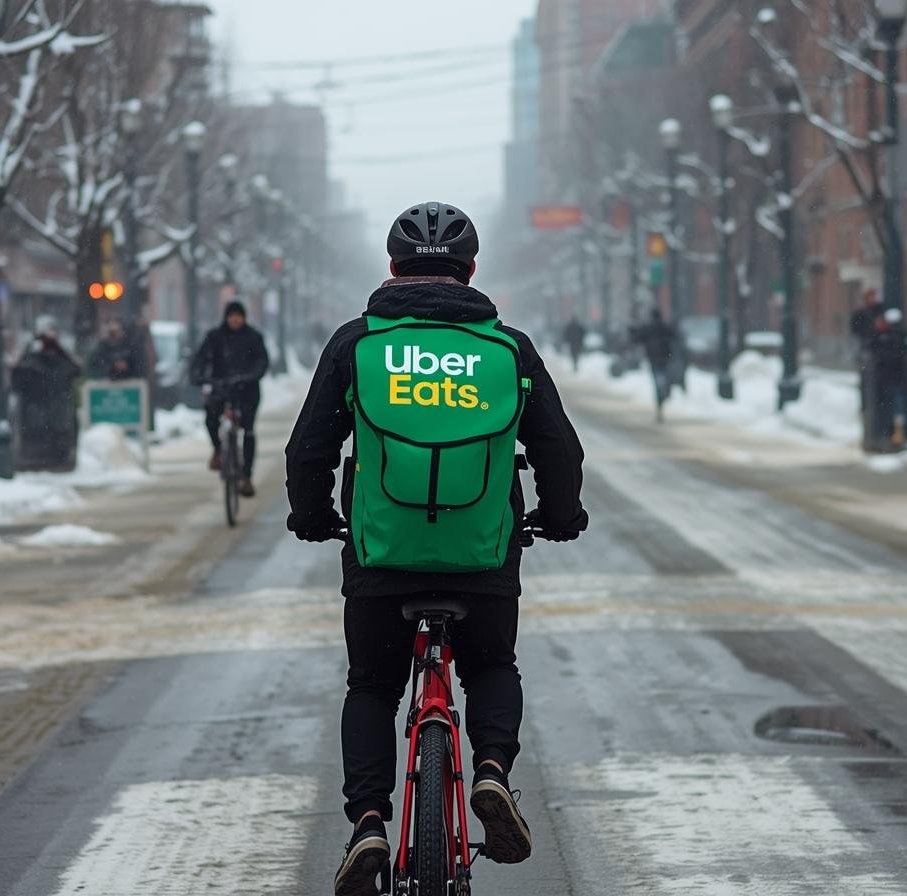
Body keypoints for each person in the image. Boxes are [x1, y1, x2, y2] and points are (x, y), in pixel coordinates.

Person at [285, 202, 588, 896]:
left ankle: (368, 821)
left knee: (371, 686)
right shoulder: (508, 349)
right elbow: (557, 448)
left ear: (392, 268)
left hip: (381, 556)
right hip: (481, 557)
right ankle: (490, 772)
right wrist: (559, 515)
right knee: (490, 666)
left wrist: (312, 515)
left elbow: (310, 447)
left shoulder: (357, 345)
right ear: (471, 270)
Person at [190, 300, 268, 490]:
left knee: (248, 430)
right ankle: (218, 449)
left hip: (247, 390)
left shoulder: (253, 337)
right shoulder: (215, 337)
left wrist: (249, 377)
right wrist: (199, 376)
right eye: (232, 316)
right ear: (226, 317)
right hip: (221, 388)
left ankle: (247, 475)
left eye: (238, 316)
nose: (235, 319)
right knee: (210, 417)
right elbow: (200, 359)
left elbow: (262, 361)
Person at [11, 316, 82, 471]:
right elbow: (17, 379)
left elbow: (76, 370)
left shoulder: (60, 359)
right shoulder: (30, 360)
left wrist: (59, 349)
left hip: (56, 421)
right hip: (36, 421)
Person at [869, 307, 907, 449]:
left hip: (887, 379)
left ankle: (890, 435)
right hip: (897, 378)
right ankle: (897, 435)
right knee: (898, 407)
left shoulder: (884, 337)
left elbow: (875, 351)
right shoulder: (902, 336)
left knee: (890, 408)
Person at [636, 308, 677, 422]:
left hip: (653, 359)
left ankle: (660, 400)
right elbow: (674, 336)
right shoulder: (664, 327)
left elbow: (638, 338)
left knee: (657, 381)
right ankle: (663, 392)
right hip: (665, 358)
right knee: (663, 377)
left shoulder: (648, 328)